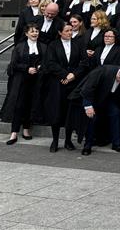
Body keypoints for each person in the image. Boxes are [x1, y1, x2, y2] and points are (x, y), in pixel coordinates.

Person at [41, 22, 89, 152]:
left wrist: (73, 75)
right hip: (58, 82)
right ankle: (55, 140)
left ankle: (68, 140)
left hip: (74, 82)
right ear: (60, 32)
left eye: (71, 30)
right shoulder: (53, 45)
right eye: (67, 30)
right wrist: (65, 75)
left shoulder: (78, 44)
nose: (70, 33)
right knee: (56, 111)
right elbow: (50, 63)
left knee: (70, 112)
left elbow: (84, 62)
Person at [69, 64, 120, 156]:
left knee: (115, 113)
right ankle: (87, 145)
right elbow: (88, 88)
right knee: (91, 118)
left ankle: (116, 144)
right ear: (118, 76)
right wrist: (88, 106)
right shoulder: (102, 71)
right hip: (93, 99)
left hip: (108, 99)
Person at [0, 24, 45, 144]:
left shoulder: (43, 47)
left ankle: (26, 130)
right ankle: (13, 133)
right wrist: (26, 69)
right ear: (26, 34)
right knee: (19, 105)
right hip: (21, 81)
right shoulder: (19, 47)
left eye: (36, 31)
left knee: (31, 105)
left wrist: (40, 66)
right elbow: (13, 65)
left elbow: (47, 62)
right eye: (32, 32)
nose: (35, 33)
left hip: (36, 81)